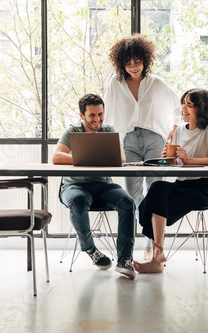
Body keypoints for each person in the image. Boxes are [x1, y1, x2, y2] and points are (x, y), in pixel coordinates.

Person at [134, 88, 208, 273]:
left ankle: (156, 260)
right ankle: (158, 254)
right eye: (183, 102)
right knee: (157, 188)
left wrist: (189, 161)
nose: (183, 107)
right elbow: (177, 162)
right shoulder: (178, 131)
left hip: (202, 187)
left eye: (189, 104)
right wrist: (167, 159)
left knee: (150, 210)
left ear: (201, 109)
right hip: (181, 183)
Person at [104, 33, 181, 261]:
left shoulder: (156, 83)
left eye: (137, 62)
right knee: (131, 194)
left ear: (145, 60)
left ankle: (153, 243)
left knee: (156, 189)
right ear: (121, 64)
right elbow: (107, 115)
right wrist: (111, 143)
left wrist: (174, 130)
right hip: (127, 141)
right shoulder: (115, 84)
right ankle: (140, 237)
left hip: (155, 140)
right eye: (128, 63)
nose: (133, 67)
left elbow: (178, 107)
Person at [52, 93, 136, 280]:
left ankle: (125, 259)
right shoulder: (72, 131)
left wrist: (89, 158)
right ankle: (91, 250)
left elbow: (121, 158)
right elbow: (57, 157)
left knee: (127, 203)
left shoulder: (108, 130)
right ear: (82, 115)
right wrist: (84, 158)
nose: (97, 119)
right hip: (75, 186)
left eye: (100, 114)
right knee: (78, 201)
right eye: (92, 115)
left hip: (104, 185)